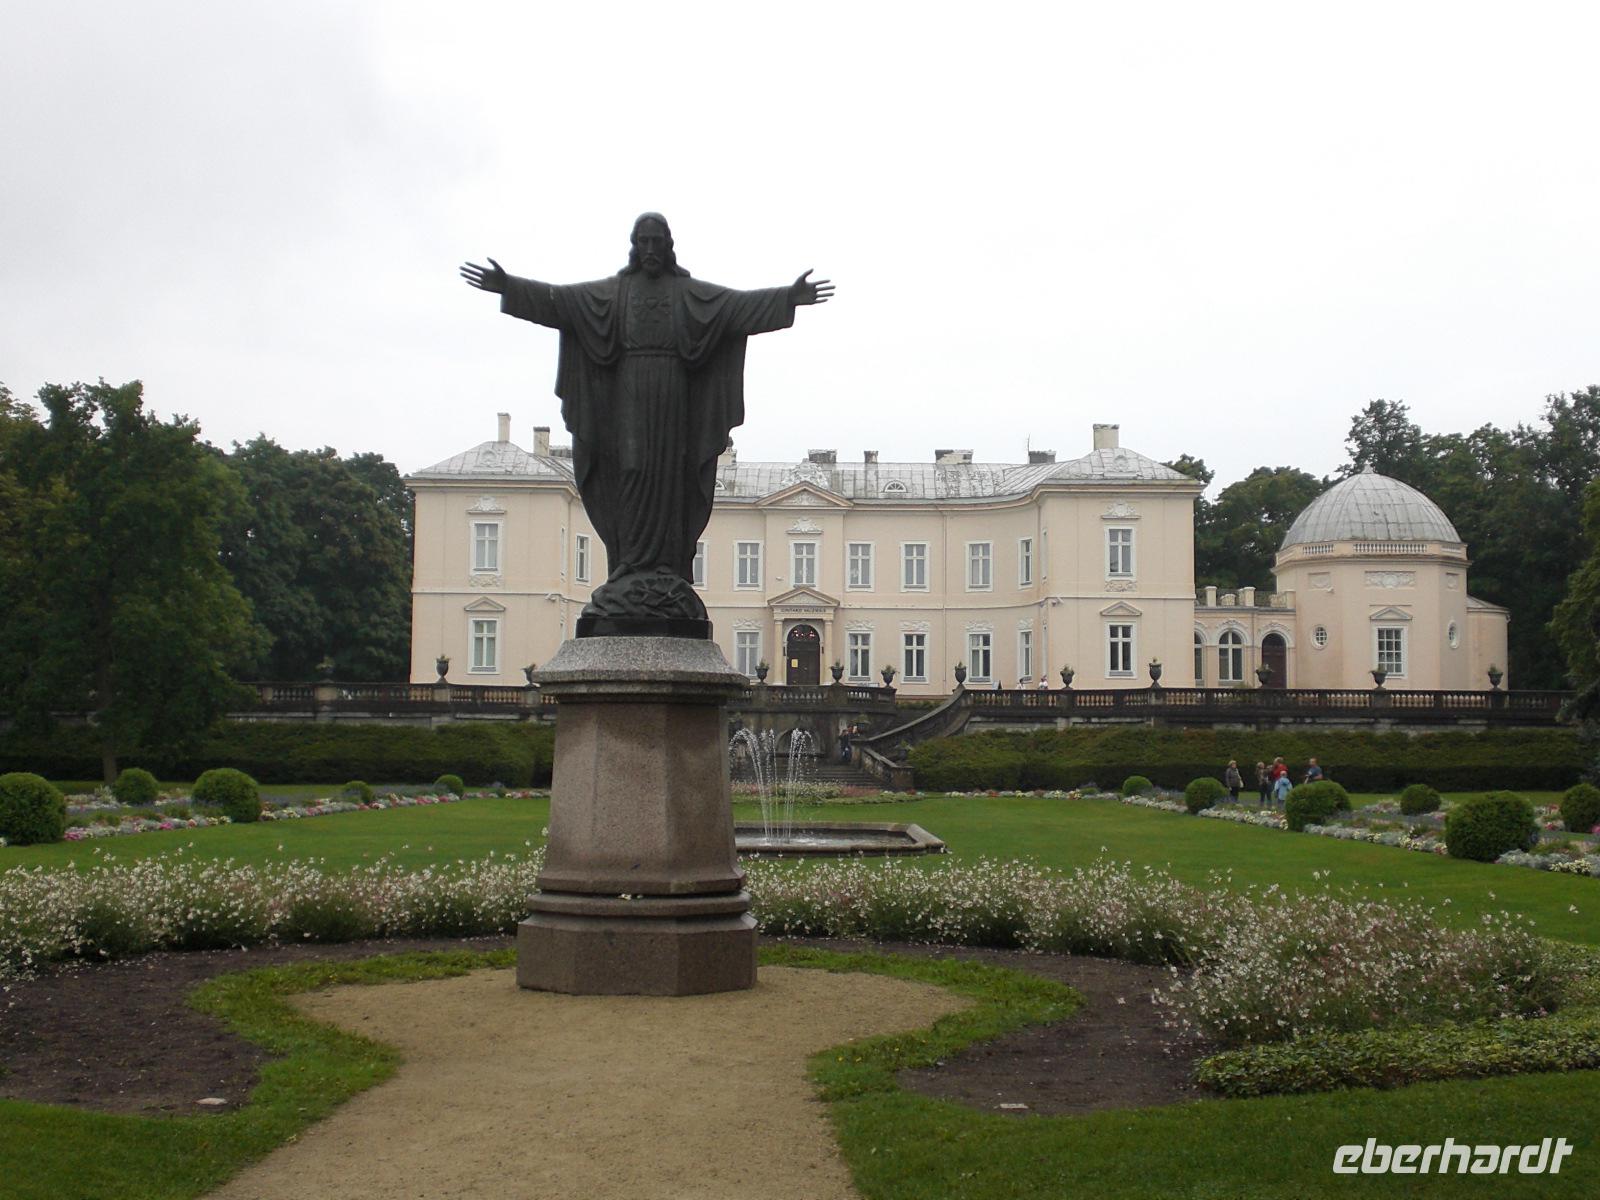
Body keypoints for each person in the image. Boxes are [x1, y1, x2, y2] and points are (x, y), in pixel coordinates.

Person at [461, 215, 833, 632]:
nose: (652, 249)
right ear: (635, 246)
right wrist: (508, 287)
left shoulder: (686, 292)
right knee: (632, 471)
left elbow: (735, 307)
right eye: (645, 242)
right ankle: (630, 564)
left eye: (658, 242)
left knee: (671, 480)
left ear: (668, 245)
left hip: (675, 397)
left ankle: (667, 568)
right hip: (628, 394)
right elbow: (559, 302)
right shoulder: (614, 293)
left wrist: (788, 297)